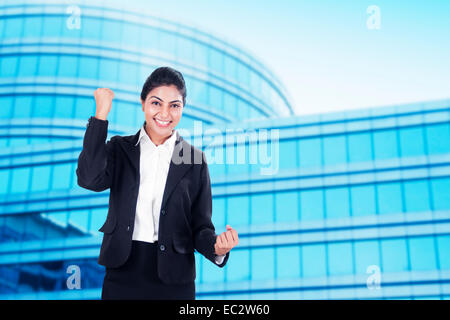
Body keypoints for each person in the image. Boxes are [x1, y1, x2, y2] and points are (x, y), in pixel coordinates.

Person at [76, 66, 239, 300]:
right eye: (156, 103)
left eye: (174, 105)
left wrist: (217, 248)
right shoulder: (121, 148)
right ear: (143, 103)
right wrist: (101, 115)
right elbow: (88, 178)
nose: (165, 113)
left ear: (182, 108)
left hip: (175, 279)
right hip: (122, 271)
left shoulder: (195, 160)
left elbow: (200, 227)